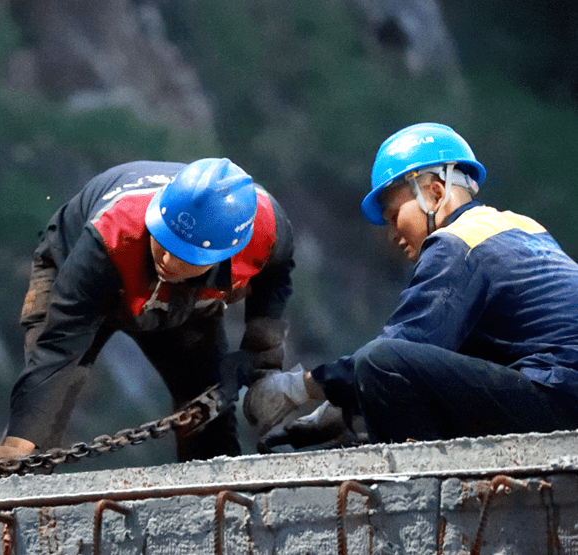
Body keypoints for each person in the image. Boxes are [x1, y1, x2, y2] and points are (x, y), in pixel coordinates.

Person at [247, 122, 578, 451]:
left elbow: (398, 349)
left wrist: (297, 388)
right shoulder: (522, 228)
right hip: (558, 390)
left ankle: (413, 483)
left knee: (380, 361)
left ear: (434, 192)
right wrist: (348, 412)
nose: (392, 235)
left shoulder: (456, 243)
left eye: (394, 217)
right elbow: (444, 357)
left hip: (557, 395)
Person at [0, 158, 295, 462]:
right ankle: (10, 493)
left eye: (188, 255)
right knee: (47, 412)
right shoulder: (111, 235)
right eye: (165, 241)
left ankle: (219, 500)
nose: (168, 262)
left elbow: (273, 288)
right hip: (89, 276)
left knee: (206, 407)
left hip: (187, 302)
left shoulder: (268, 232)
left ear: (227, 251)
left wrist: (264, 365)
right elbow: (58, 349)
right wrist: (18, 449)